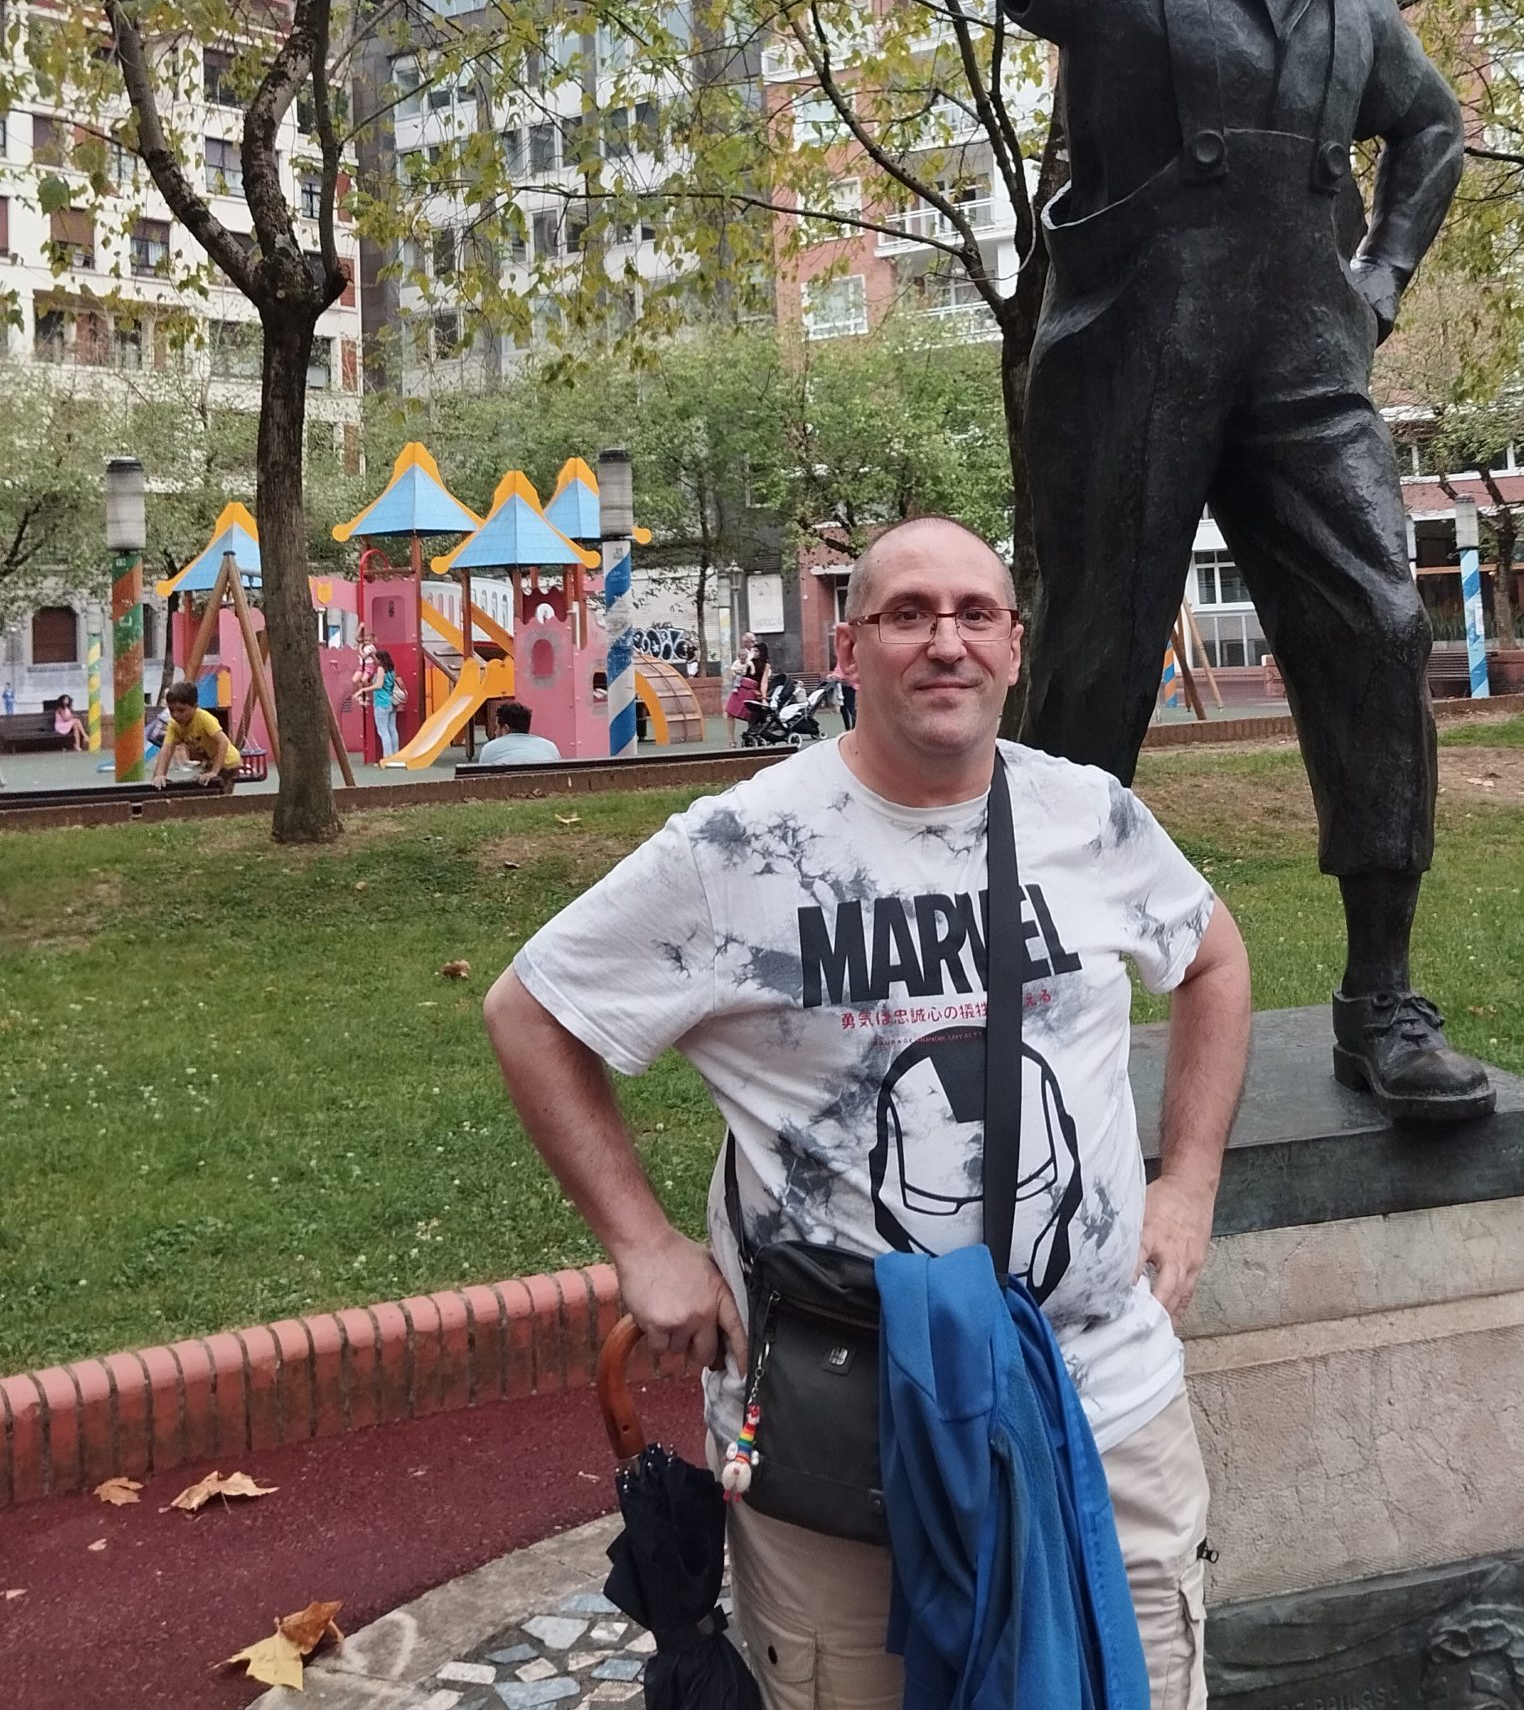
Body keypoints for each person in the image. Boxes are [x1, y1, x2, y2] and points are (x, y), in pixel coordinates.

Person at [881, 0, 1490, 1124]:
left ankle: (1381, 997)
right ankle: (1034, 990)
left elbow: (1432, 134)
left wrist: (1380, 280)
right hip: (1132, 363)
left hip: (1306, 371)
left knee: (1380, 634)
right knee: (1093, 671)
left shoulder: (1356, 2)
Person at [487, 514, 1251, 1710]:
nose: (945, 641)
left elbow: (1212, 959)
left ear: (1012, 646)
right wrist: (641, 1244)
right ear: (848, 650)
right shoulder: (742, 846)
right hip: (839, 1430)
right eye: (907, 615)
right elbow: (531, 1011)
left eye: (974, 614)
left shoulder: (1089, 817)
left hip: (1099, 1407)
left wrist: (1189, 1182)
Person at [151, 679, 243, 791]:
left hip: (229, 763)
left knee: (217, 790)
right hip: (210, 764)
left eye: (181, 710)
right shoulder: (174, 725)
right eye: (171, 710)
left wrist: (214, 772)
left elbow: (223, 741)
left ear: (195, 707)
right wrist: (160, 774)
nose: (175, 715)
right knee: (197, 787)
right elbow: (167, 749)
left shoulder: (204, 719)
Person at [475, 700, 562, 766]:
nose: (495, 732)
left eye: (497, 727)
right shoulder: (550, 747)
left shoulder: (489, 749)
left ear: (505, 729)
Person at [723, 639, 768, 748]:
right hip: (740, 687)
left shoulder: (765, 665)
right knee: (730, 713)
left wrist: (764, 698)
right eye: (753, 651)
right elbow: (736, 670)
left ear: (762, 652)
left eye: (757, 651)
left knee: (750, 715)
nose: (754, 653)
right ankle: (731, 740)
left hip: (751, 690)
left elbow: (764, 682)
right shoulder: (748, 660)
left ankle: (751, 736)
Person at [369, 651, 403, 761]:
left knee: (383, 731)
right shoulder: (392, 671)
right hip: (391, 702)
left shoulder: (381, 669)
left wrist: (364, 689)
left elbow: (379, 685)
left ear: (380, 659)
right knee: (392, 729)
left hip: (381, 702)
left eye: (376, 658)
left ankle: (387, 757)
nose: (375, 660)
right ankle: (395, 754)